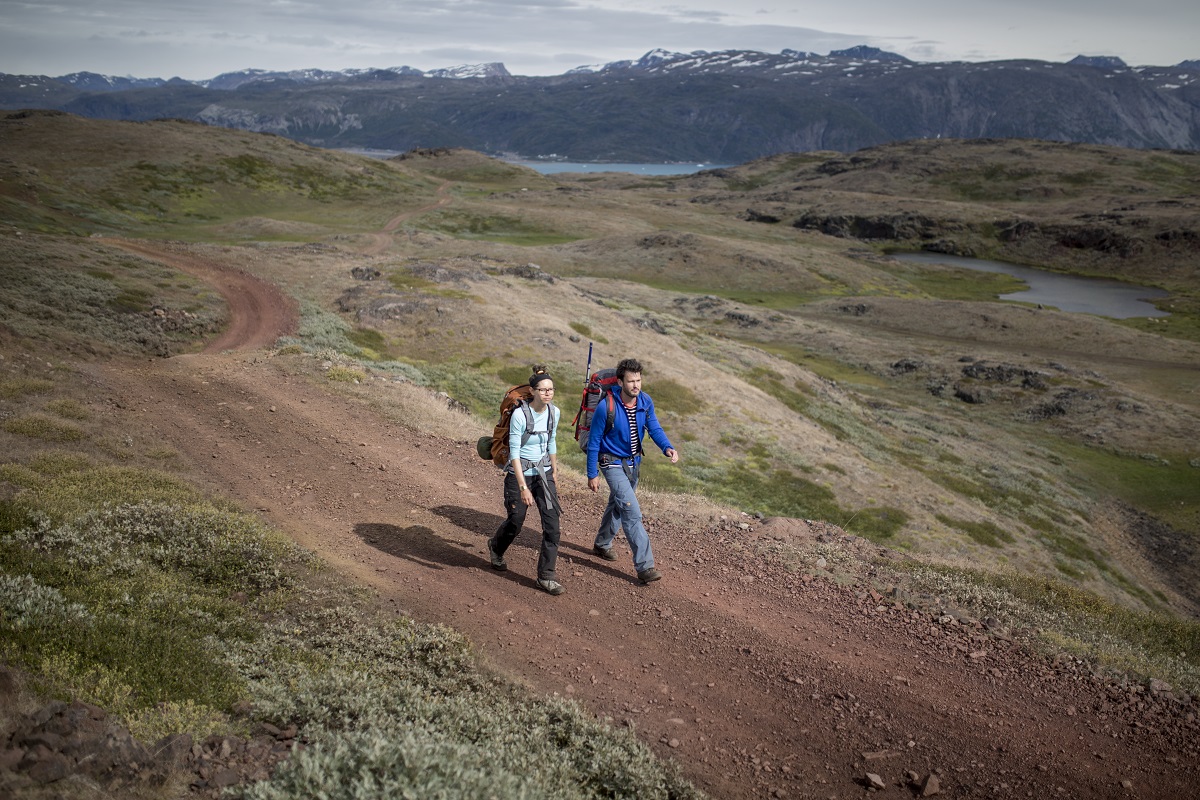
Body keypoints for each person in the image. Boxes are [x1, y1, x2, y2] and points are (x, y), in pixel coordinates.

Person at [586, 358, 679, 584]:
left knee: (617, 505)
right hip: (611, 462)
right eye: (631, 381)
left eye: (638, 380)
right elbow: (594, 441)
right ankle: (645, 567)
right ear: (620, 382)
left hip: (634, 463)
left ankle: (602, 544)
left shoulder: (645, 401)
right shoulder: (605, 406)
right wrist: (592, 473)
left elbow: (654, 427)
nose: (636, 385)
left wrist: (667, 447)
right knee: (631, 511)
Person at [487, 367, 565, 595]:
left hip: (544, 474)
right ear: (532, 391)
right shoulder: (520, 415)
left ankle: (546, 576)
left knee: (553, 528)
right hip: (519, 474)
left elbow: (551, 442)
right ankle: (496, 546)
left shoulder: (554, 413)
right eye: (543, 390)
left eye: (551, 389)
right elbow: (514, 453)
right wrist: (523, 487)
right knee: (516, 521)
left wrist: (555, 473)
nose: (548, 393)